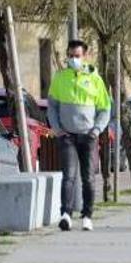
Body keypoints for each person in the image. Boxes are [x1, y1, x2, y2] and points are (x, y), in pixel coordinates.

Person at [48, 40, 111, 232]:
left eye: (77, 55)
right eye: (71, 55)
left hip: (88, 136)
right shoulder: (60, 78)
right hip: (67, 136)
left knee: (88, 178)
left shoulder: (94, 79)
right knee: (68, 176)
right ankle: (66, 214)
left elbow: (105, 108)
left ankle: (87, 215)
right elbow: (52, 107)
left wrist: (96, 130)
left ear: (85, 56)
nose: (73, 59)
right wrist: (58, 129)